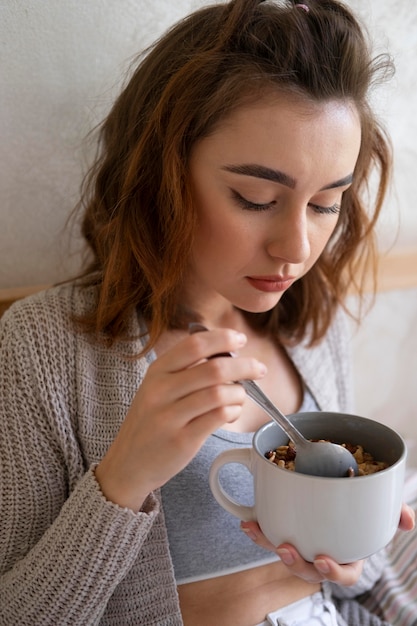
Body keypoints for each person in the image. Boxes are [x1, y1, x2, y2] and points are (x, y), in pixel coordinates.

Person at [0, 0, 414, 624]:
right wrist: (123, 479)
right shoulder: (42, 350)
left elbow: (354, 579)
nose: (296, 249)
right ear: (161, 174)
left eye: (327, 203)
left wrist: (354, 555)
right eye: (255, 198)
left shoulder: (312, 326)